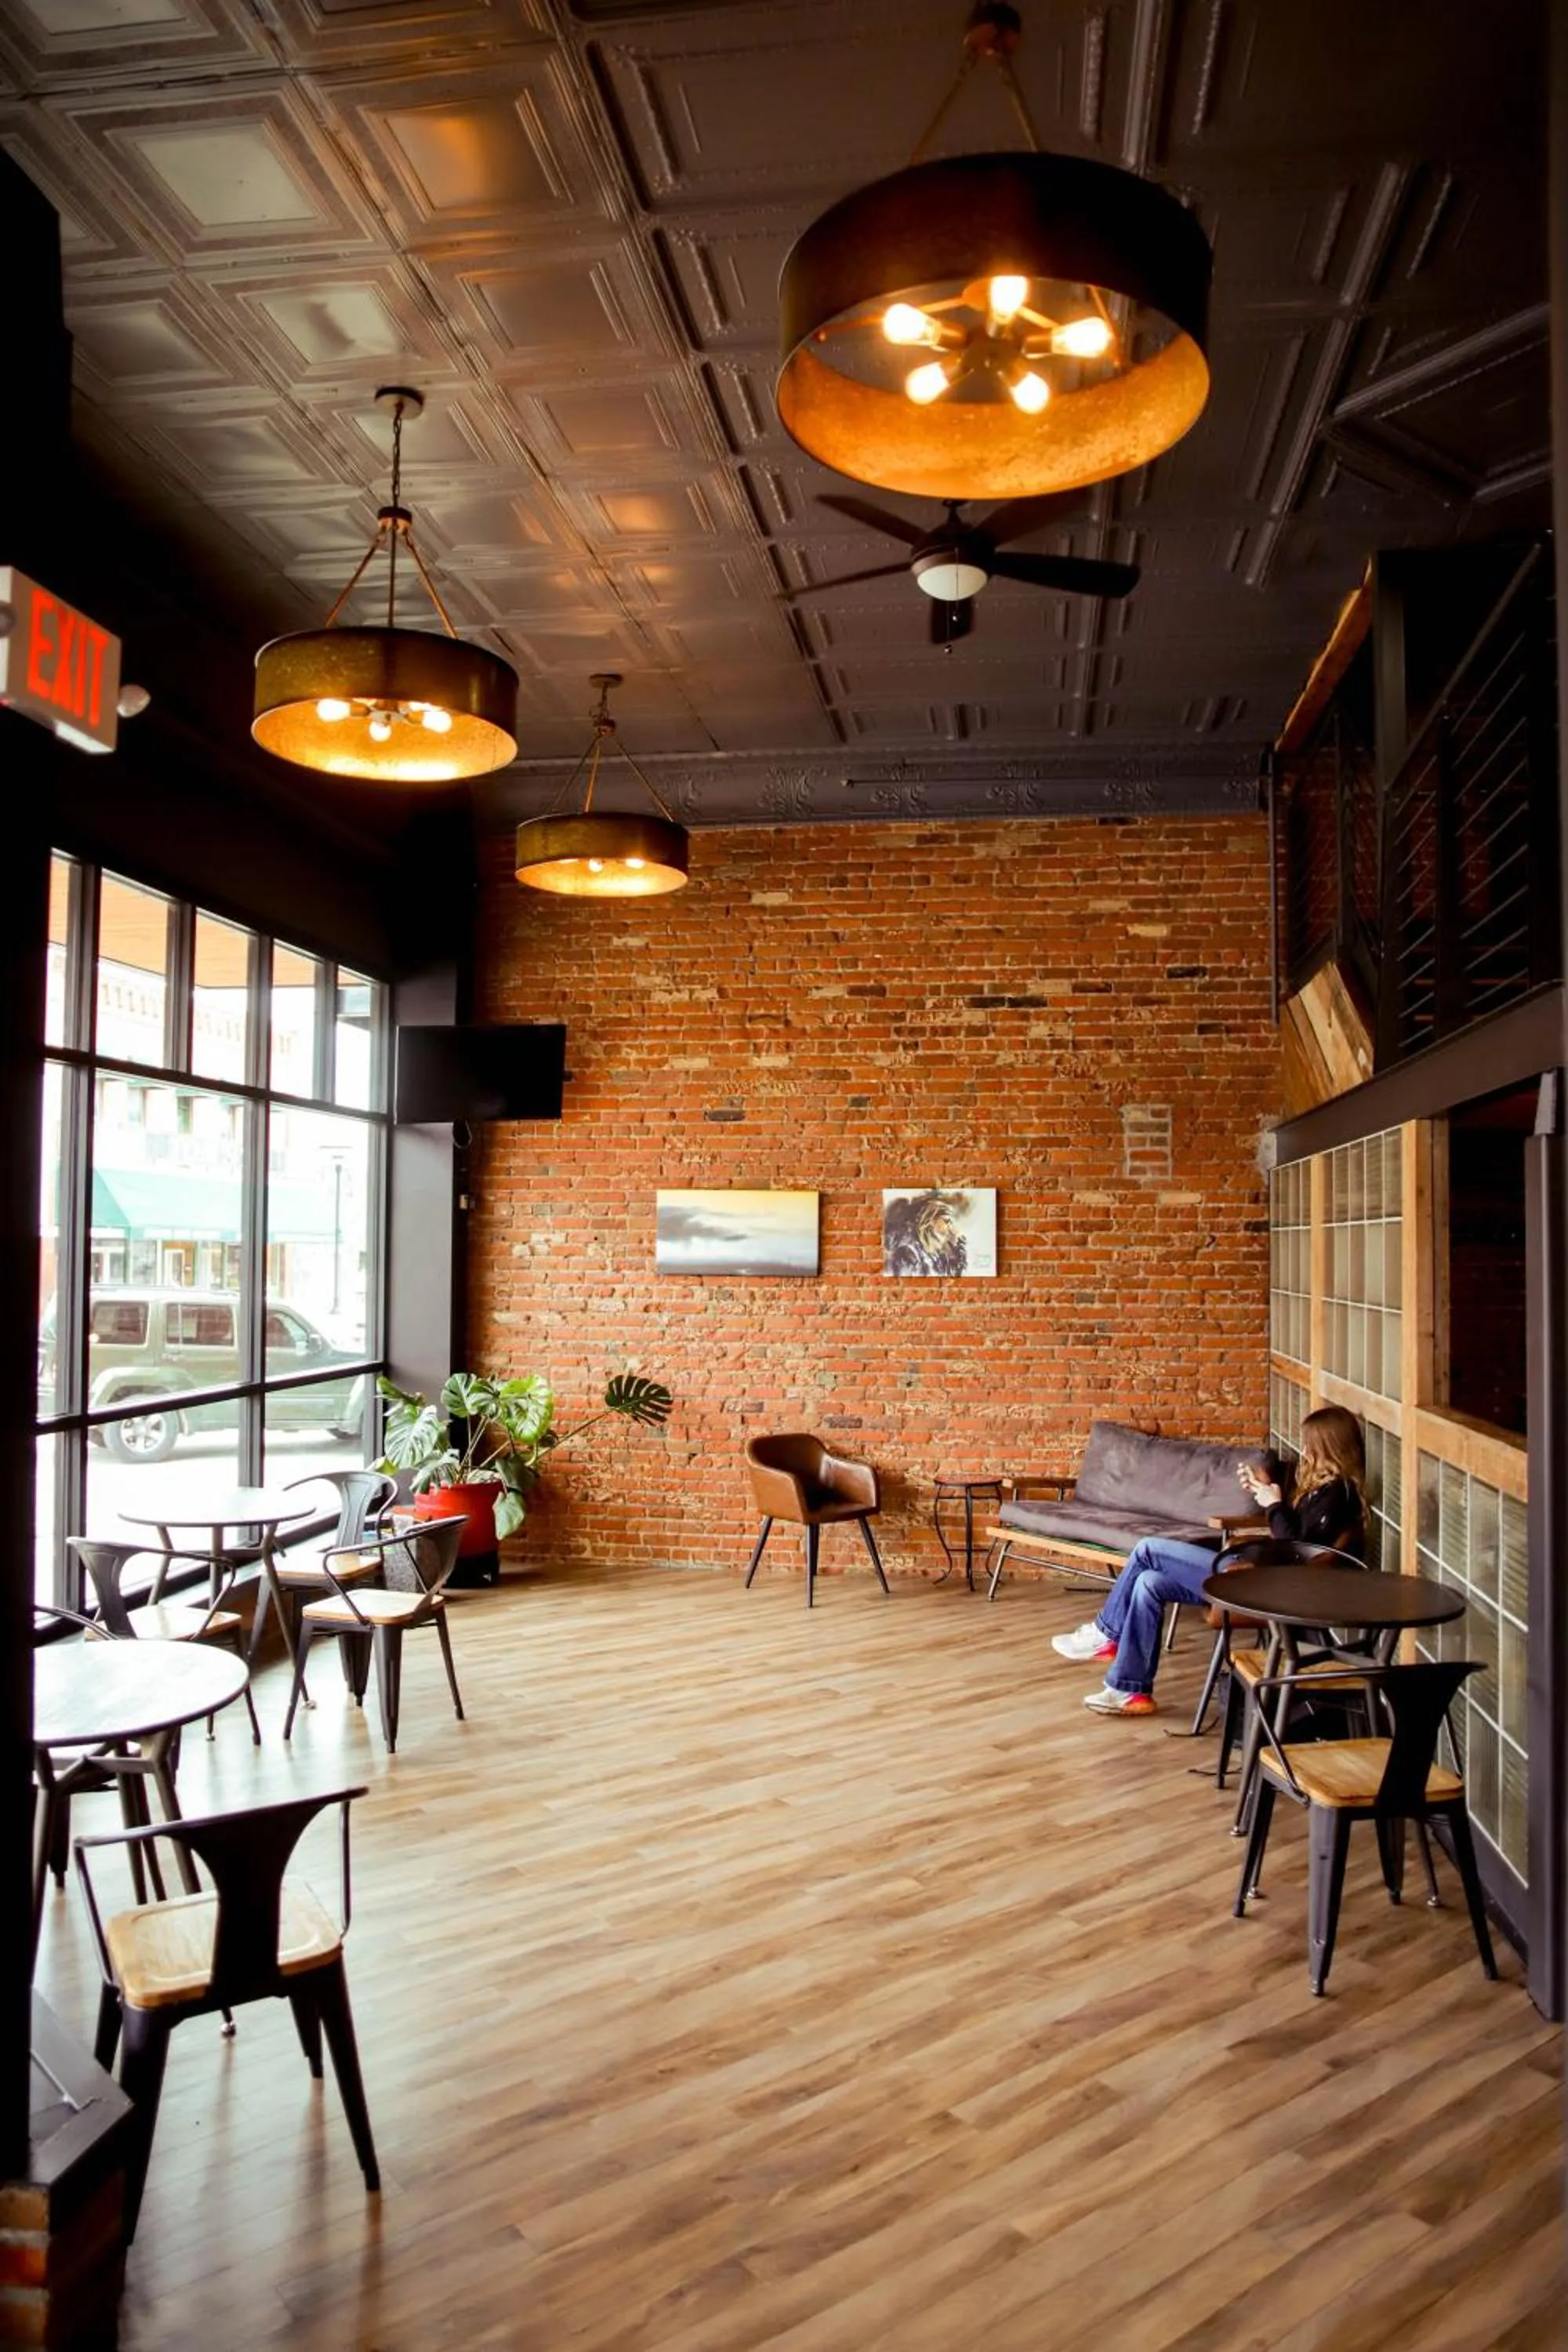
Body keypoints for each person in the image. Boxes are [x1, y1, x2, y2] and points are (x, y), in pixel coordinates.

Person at [1051, 1405, 1368, 1717]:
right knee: (1148, 1583)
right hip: (1258, 1573)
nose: (1306, 1449)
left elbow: (1295, 1549)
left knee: (1148, 1549)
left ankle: (1106, 1633)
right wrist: (1270, 1497)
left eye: (1311, 1442)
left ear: (1328, 1445)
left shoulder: (1339, 1495)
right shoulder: (1322, 1491)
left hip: (1263, 1585)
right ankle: (1128, 1690)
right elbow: (1294, 1537)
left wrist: (1273, 1505)